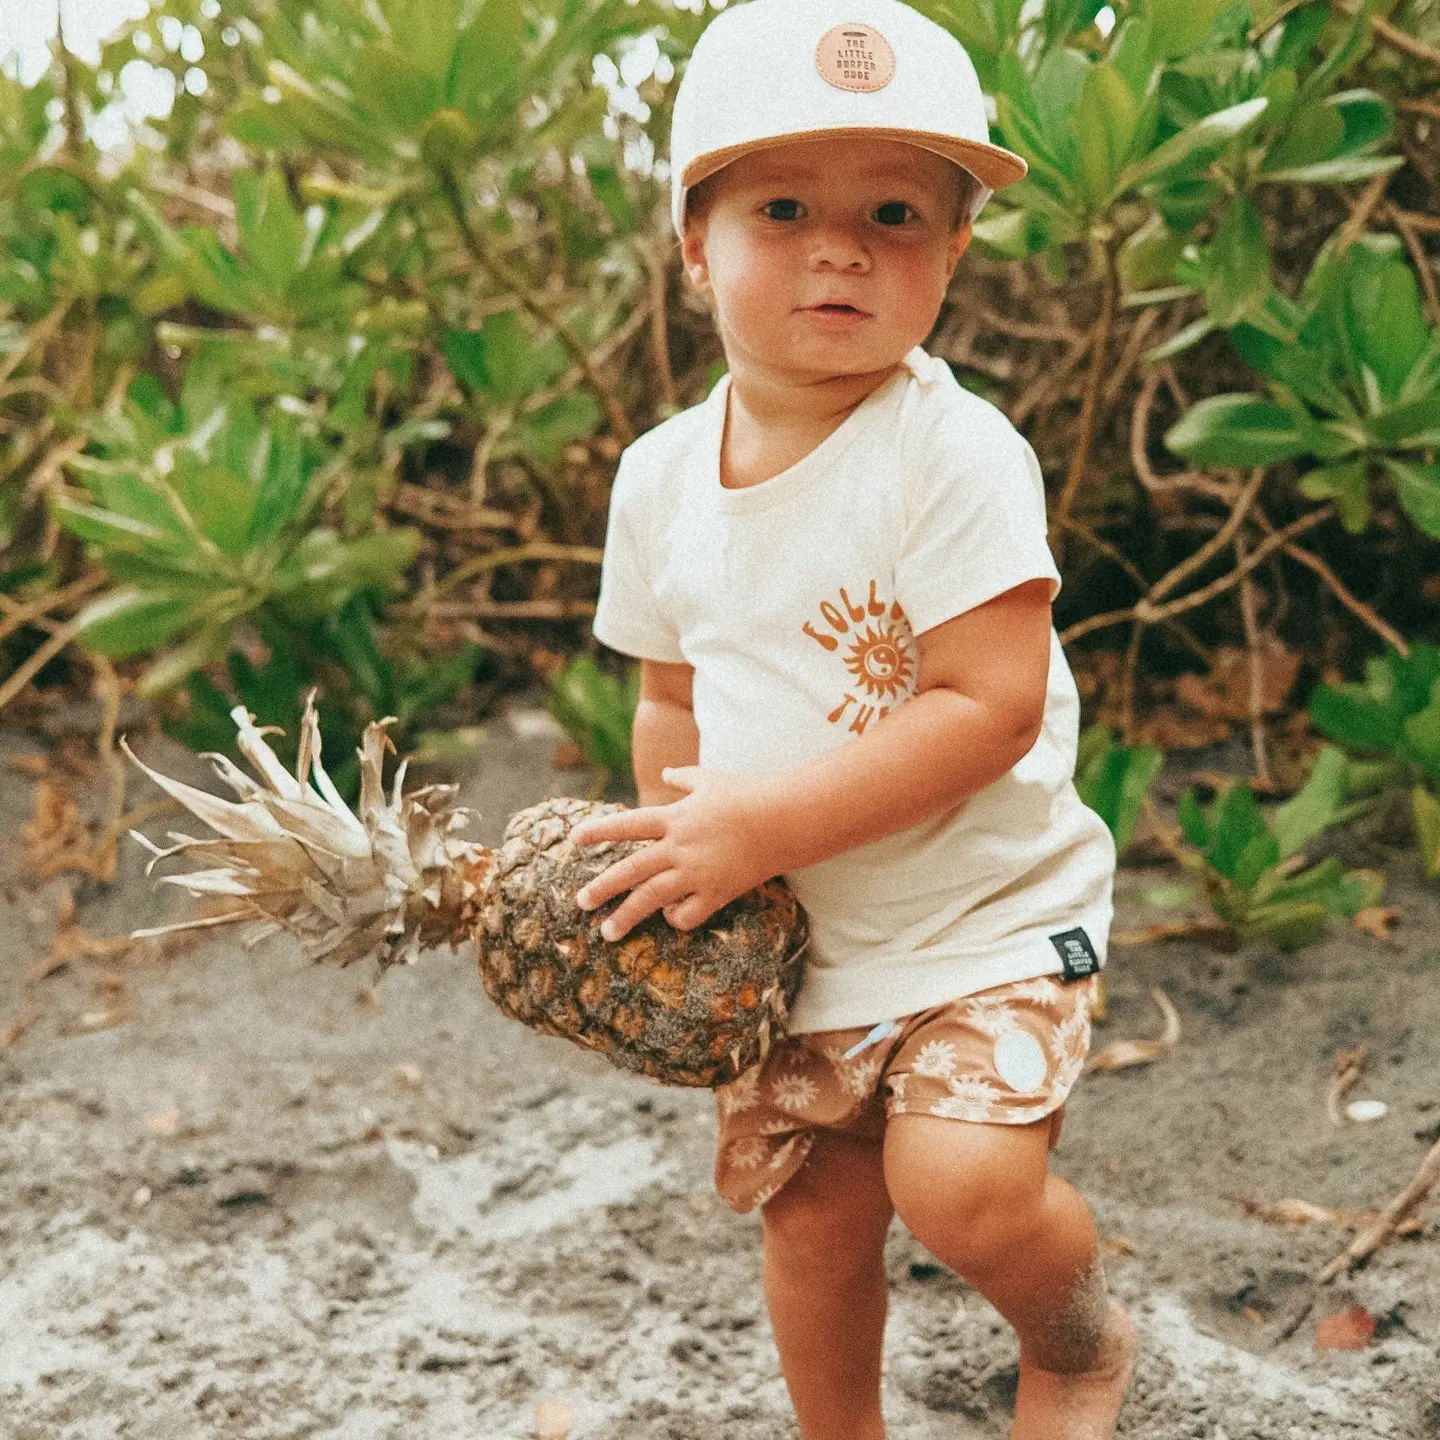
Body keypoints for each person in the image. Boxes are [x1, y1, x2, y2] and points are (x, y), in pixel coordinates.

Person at [569, 0, 1136, 1434]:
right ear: (694, 240)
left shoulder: (952, 454)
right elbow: (670, 699)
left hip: (984, 919)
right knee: (810, 1218)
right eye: (782, 206)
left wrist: (755, 826)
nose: (841, 247)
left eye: (895, 210)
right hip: (803, 938)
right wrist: (695, 867)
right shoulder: (658, 478)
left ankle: (1073, 1339)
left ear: (955, 247)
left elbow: (992, 707)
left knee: (958, 1185)